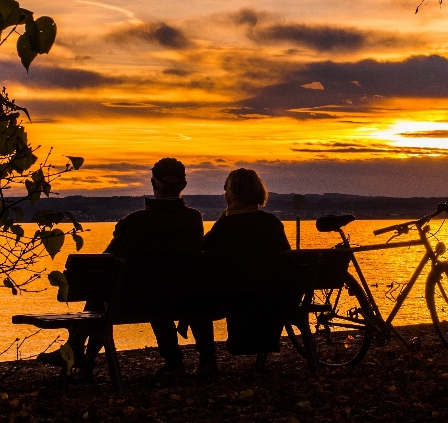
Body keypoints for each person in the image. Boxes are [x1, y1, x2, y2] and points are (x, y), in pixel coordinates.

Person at [38, 158, 217, 379]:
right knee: (116, 289)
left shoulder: (136, 221)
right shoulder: (194, 219)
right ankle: (185, 362)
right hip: (185, 298)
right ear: (184, 184)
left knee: (103, 287)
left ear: (154, 183)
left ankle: (80, 354)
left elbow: (104, 263)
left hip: (141, 301)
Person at [203, 168, 291, 370]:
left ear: (231, 193)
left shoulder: (226, 226)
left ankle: (207, 361)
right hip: (273, 298)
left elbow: (202, 250)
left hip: (235, 298)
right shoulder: (272, 223)